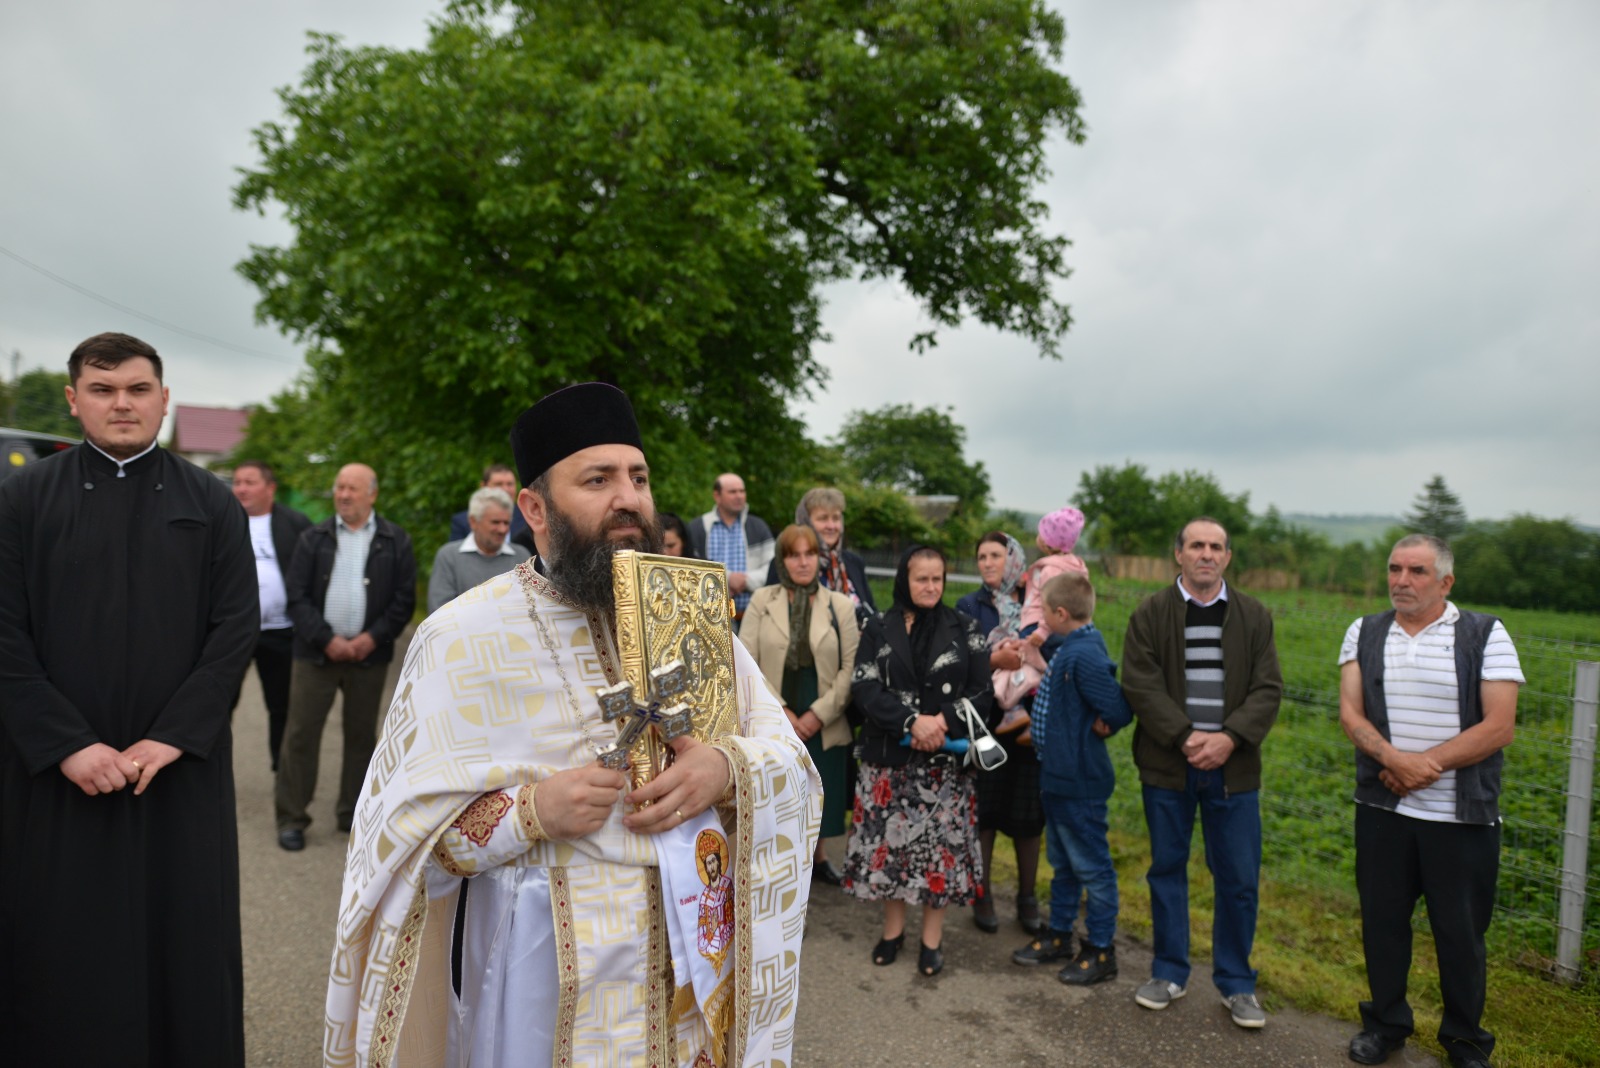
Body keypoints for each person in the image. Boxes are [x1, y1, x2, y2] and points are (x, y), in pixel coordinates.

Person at [325, 382, 820, 1067]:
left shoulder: (692, 616)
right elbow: (404, 840)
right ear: (534, 507)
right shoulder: (463, 637)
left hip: (690, 976)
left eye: (638, 477)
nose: (629, 497)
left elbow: (791, 760)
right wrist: (531, 812)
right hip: (542, 985)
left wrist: (726, 768)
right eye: (598, 479)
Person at [0, 331, 257, 1064]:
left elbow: (233, 628)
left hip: (174, 776)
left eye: (138, 389)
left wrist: (173, 736)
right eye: (104, 389)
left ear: (163, 399)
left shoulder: (210, 503)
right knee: (56, 947)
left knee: (181, 944)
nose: (123, 404)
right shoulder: (22, 500)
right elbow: (5, 632)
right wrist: (66, 745)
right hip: (53, 779)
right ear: (74, 399)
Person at [1337, 534, 1522, 1068]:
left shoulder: (1486, 634)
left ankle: (1465, 1042)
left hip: (1460, 817)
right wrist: (1395, 762)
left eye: (1417, 571)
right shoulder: (1364, 631)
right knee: (1383, 923)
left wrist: (1424, 765)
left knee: (1460, 935)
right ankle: (1385, 1025)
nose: (1401, 580)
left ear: (1446, 581)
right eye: (1394, 569)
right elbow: (1351, 714)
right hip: (1383, 811)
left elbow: (1500, 725)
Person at [1121, 516, 1282, 1029]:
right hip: (1169, 764)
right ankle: (1168, 972)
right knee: (1167, 869)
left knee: (1237, 877)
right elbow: (1140, 684)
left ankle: (1237, 984)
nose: (1206, 554)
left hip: (1232, 770)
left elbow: (1267, 690)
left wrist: (1229, 738)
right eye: (1196, 545)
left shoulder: (1254, 616)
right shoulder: (1150, 613)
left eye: (1215, 546)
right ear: (1179, 554)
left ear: (1227, 557)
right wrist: (1187, 736)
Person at [845, 545, 992, 977]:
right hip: (889, 759)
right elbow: (864, 687)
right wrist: (912, 721)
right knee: (893, 853)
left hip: (946, 764)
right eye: (921, 578)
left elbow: (984, 693)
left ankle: (932, 940)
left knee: (938, 856)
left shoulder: (967, 628)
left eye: (937, 579)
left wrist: (941, 723)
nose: (930, 586)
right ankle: (893, 932)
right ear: (904, 581)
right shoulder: (877, 626)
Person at [274, 462, 416, 851]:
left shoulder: (395, 540)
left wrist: (371, 638)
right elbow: (296, 595)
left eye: (353, 489)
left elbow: (404, 599)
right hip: (316, 654)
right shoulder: (313, 538)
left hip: (369, 656)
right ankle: (292, 817)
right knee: (301, 734)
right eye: (339, 488)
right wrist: (326, 639)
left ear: (372, 494)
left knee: (361, 737)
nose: (344, 495)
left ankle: (352, 814)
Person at [1010, 571, 1132, 986]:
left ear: (1061, 613)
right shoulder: (1069, 646)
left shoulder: (1085, 655)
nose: (1042, 618)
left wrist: (1107, 722)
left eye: (1045, 612)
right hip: (1057, 781)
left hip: (1079, 784)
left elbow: (1116, 707)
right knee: (1063, 864)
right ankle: (1060, 934)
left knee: (1093, 868)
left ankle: (1100, 949)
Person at [739, 523, 861, 884]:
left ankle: (816, 860)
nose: (803, 562)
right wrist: (784, 714)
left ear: (820, 560)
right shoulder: (763, 600)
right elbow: (746, 660)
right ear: (783, 560)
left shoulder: (840, 605)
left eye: (810, 554)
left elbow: (850, 668)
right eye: (795, 555)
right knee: (780, 795)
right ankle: (783, 869)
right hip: (774, 709)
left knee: (817, 795)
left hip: (823, 713)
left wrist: (817, 714)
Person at [956, 531, 1046, 935]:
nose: (988, 562)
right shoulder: (968, 606)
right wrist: (996, 658)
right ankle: (982, 892)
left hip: (1030, 727)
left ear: (1013, 559)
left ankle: (1028, 897)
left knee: (1028, 816)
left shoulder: (1036, 600)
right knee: (985, 814)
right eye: (981, 556)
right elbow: (958, 659)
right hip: (986, 721)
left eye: (996, 555)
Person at [230, 459, 312, 771]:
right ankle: (209, 766)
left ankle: (283, 769)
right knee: (219, 702)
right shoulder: (224, 519)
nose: (241, 488)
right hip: (232, 631)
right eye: (237, 482)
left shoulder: (295, 523)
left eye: (249, 482)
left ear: (270, 488)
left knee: (282, 707)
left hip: (282, 632)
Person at [767, 487, 878, 613]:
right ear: (806, 522)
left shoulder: (853, 562)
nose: (831, 526)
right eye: (823, 518)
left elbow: (871, 609)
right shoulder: (785, 563)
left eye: (836, 518)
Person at [687, 471, 774, 625]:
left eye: (742, 491)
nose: (739, 496)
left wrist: (745, 580)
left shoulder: (758, 527)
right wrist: (727, 578)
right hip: (709, 620)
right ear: (717, 496)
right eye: (733, 492)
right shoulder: (697, 528)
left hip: (755, 618)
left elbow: (773, 567)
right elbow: (690, 568)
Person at [426, 486, 531, 613]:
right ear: (473, 522)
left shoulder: (521, 556)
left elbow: (530, 606)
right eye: (495, 522)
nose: (502, 530)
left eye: (506, 523)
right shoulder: (449, 557)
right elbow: (439, 611)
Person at [1017, 505, 1090, 648]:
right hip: (1063, 627)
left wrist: (1043, 631)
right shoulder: (1074, 566)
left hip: (1039, 626)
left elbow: (1052, 601)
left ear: (1046, 542)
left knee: (1028, 663)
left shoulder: (1051, 570)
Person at [449, 462, 529, 545]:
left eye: (510, 484)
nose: (505, 489)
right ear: (483, 486)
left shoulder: (529, 518)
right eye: (499, 484)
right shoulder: (462, 521)